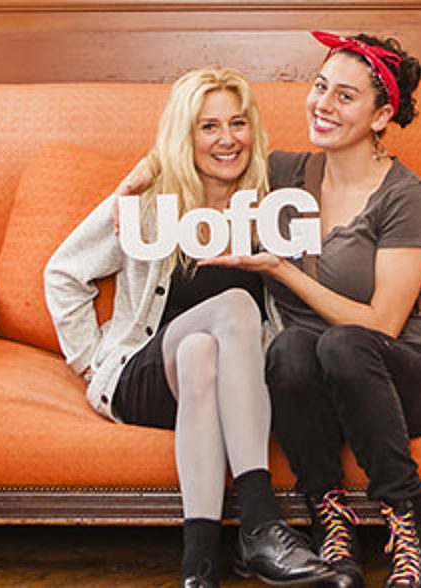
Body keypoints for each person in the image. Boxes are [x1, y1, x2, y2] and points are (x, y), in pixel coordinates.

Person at [43, 66, 334, 588]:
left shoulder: (275, 200)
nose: (228, 140)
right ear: (185, 136)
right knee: (234, 308)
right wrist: (88, 360)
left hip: (224, 386)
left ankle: (198, 567)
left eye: (238, 123)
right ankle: (262, 522)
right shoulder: (147, 204)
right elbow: (63, 272)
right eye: (208, 127)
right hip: (146, 377)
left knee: (202, 348)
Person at [201, 32, 421, 588]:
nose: (322, 104)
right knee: (290, 346)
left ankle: (409, 528)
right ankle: (329, 518)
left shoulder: (406, 198)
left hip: (400, 376)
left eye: (345, 96)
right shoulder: (284, 174)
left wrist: (282, 269)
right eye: (319, 87)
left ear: (382, 114)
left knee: (340, 341)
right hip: (312, 387)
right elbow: (192, 156)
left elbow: (384, 323)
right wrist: (134, 183)